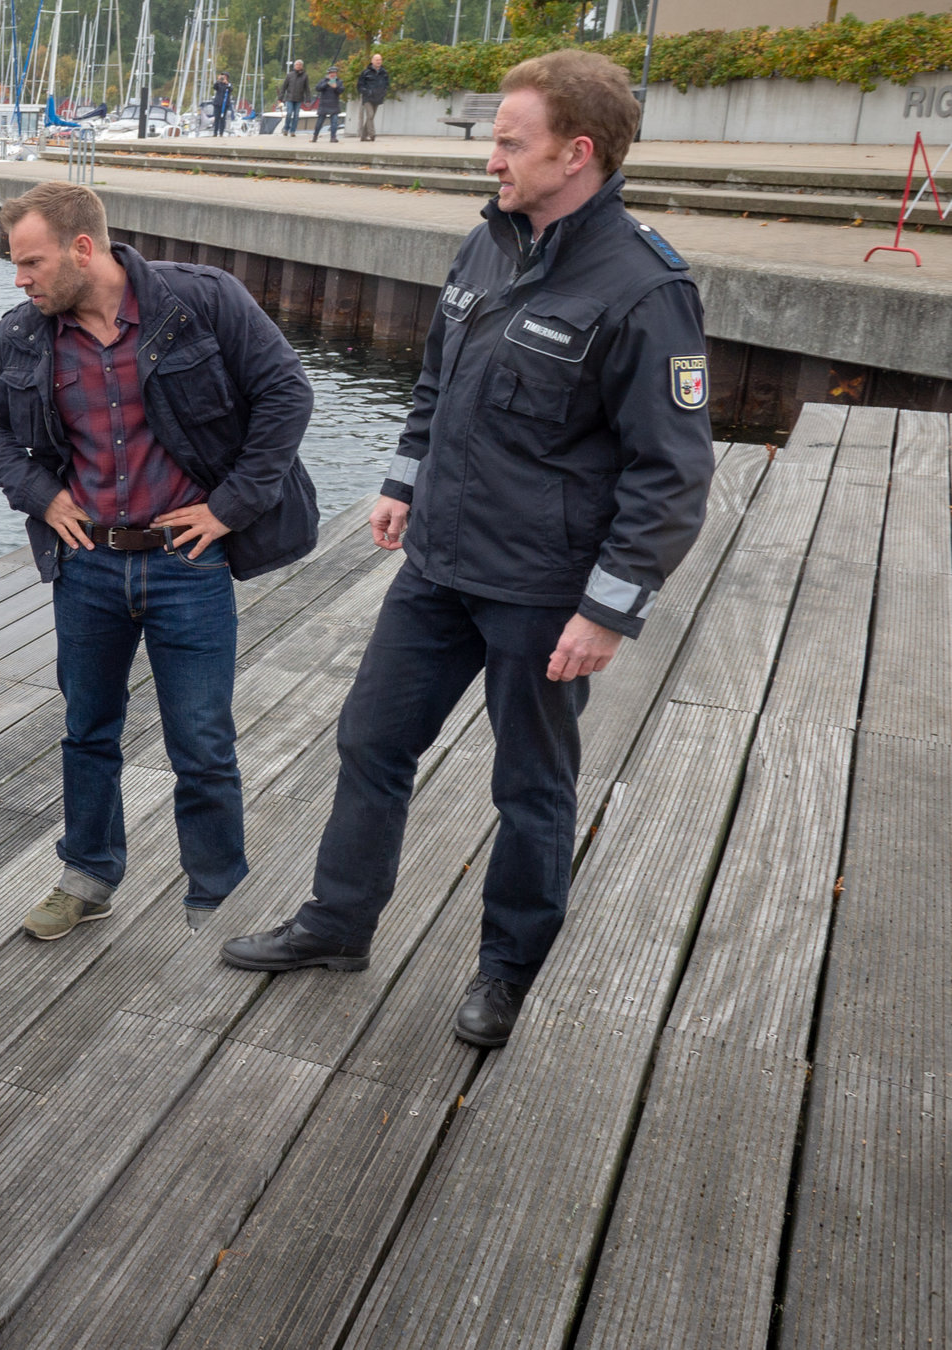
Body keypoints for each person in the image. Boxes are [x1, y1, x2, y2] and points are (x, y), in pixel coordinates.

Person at [220, 50, 714, 1049]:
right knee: (370, 738)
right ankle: (338, 920)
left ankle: (505, 970)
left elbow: (672, 471)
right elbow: (436, 382)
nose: (488, 159)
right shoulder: (486, 247)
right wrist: (401, 480)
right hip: (438, 566)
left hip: (540, 590)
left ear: (575, 154)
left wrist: (608, 609)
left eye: (507, 142)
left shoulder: (643, 289)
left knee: (528, 785)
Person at [0, 181, 318, 943]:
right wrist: (40, 496)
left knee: (201, 738)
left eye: (30, 261)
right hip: (86, 565)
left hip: (185, 563)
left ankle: (218, 893)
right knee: (87, 728)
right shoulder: (25, 334)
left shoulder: (201, 301)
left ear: (81, 249)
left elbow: (286, 395)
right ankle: (87, 876)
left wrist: (228, 507)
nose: (18, 278)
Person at [358, 52, 390, 142]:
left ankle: (363, 136)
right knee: (370, 115)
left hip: (378, 98)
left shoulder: (384, 72)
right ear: (372, 61)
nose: (378, 61)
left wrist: (384, 92)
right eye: (376, 60)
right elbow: (360, 85)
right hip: (368, 98)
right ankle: (372, 134)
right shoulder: (366, 72)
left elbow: (386, 84)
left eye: (380, 60)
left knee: (370, 117)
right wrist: (367, 92)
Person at [280, 60, 310, 138]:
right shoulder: (290, 75)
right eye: (297, 64)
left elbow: (307, 88)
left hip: (299, 98)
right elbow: (284, 87)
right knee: (289, 113)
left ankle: (293, 131)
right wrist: (280, 98)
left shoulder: (305, 76)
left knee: (296, 115)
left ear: (302, 66)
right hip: (289, 98)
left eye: (300, 65)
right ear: (294, 66)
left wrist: (308, 99)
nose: (298, 66)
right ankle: (286, 129)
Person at [313, 66, 344, 143]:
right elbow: (318, 88)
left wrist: (335, 87)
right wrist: (327, 84)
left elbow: (341, 90)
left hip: (334, 104)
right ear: (328, 73)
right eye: (331, 73)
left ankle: (333, 137)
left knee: (334, 122)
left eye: (334, 73)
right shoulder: (323, 81)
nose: (333, 74)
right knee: (320, 122)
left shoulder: (339, 82)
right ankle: (315, 136)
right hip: (324, 104)